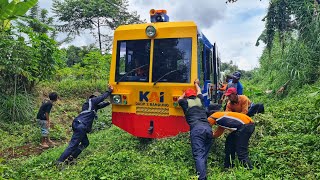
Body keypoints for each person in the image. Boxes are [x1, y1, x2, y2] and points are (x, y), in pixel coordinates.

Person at [56, 85, 113, 165]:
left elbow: (101, 105)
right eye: (96, 98)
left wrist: (109, 102)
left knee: (85, 143)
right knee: (73, 145)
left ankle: (72, 157)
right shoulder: (92, 101)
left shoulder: (90, 105)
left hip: (78, 124)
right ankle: (59, 162)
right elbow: (101, 98)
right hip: (81, 126)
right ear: (93, 97)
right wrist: (109, 91)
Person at [178, 79, 213, 180]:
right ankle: (203, 173)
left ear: (187, 96)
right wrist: (196, 84)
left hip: (197, 129)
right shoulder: (200, 100)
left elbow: (179, 99)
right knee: (203, 154)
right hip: (208, 128)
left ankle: (202, 178)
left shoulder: (185, 102)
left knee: (198, 155)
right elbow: (199, 92)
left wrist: (184, 93)